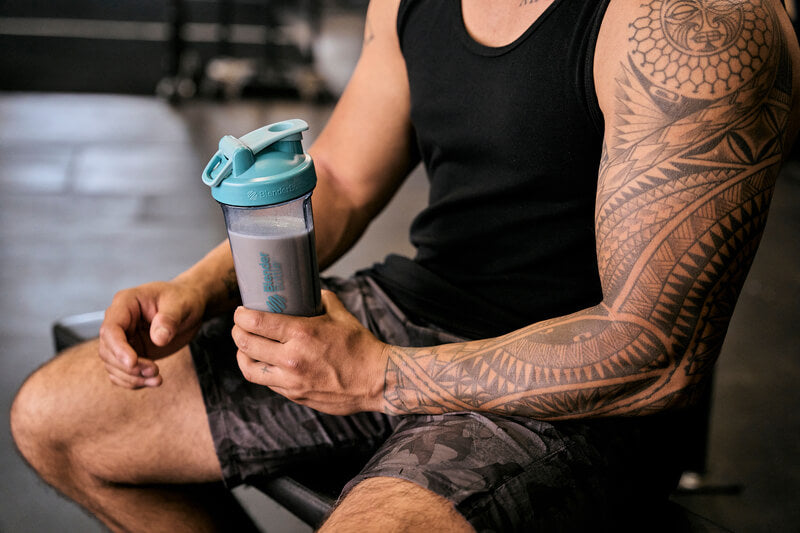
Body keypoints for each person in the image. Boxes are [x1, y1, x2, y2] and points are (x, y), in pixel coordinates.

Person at [10, 0, 800, 531]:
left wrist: (380, 376)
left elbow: (654, 350)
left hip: (571, 393)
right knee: (60, 421)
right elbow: (346, 177)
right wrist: (199, 286)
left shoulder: (694, 25)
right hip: (409, 318)